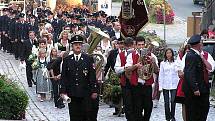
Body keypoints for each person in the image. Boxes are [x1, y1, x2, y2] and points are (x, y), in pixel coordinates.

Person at [60, 35, 98, 121]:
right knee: (74, 115)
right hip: (72, 92)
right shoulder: (67, 60)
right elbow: (64, 77)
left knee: (85, 115)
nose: (78, 46)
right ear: (72, 46)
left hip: (85, 92)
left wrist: (94, 90)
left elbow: (92, 76)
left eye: (79, 44)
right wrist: (63, 91)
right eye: (75, 44)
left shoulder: (88, 59)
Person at [125, 36, 159, 121]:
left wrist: (153, 62)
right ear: (135, 45)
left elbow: (156, 71)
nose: (141, 47)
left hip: (147, 85)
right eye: (139, 45)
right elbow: (127, 69)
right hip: (136, 86)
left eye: (143, 45)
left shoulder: (151, 55)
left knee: (148, 107)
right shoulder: (131, 56)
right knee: (137, 109)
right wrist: (136, 66)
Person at [183, 34, 213, 121]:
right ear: (198, 44)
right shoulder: (191, 56)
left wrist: (202, 57)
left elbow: (210, 68)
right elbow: (189, 73)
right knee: (194, 114)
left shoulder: (197, 55)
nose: (202, 44)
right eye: (201, 42)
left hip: (201, 89)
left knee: (202, 112)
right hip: (195, 91)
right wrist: (195, 88)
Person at [114, 37, 135, 120]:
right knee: (128, 104)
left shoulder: (137, 54)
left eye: (131, 46)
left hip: (136, 81)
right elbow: (116, 69)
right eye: (128, 46)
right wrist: (125, 68)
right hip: (125, 82)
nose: (130, 48)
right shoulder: (120, 55)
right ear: (124, 46)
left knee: (137, 103)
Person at [159, 48, 179, 121]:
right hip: (165, 85)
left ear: (172, 54)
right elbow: (161, 75)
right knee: (166, 102)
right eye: (167, 53)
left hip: (174, 84)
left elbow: (178, 73)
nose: (169, 54)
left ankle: (172, 116)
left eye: (170, 53)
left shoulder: (176, 62)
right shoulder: (162, 63)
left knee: (173, 101)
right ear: (165, 54)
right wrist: (160, 86)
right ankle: (168, 117)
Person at [175, 44, 191, 121]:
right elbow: (179, 72)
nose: (187, 51)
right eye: (186, 49)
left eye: (189, 49)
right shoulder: (180, 57)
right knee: (184, 105)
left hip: (192, 83)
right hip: (183, 83)